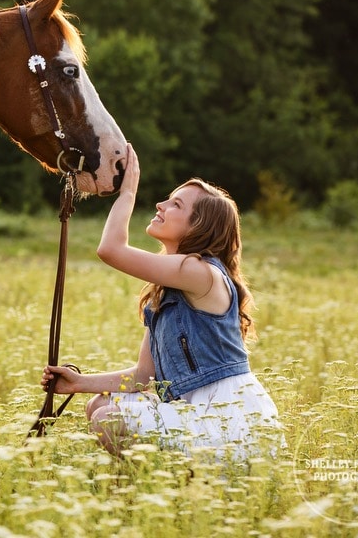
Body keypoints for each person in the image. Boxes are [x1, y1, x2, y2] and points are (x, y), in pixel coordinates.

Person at [42, 144, 281, 459]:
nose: (160, 204)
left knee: (107, 418)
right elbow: (145, 377)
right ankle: (157, 488)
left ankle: (170, 487)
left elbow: (110, 250)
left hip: (227, 419)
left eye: (176, 205)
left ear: (198, 226)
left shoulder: (201, 273)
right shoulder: (166, 290)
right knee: (99, 404)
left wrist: (127, 194)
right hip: (192, 411)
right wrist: (78, 383)